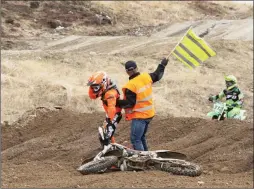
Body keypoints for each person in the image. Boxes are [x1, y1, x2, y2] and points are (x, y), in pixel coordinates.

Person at [116, 58, 169, 151]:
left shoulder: (131, 86)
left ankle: (142, 160)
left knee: (135, 139)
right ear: (136, 68)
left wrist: (116, 102)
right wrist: (162, 65)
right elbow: (157, 75)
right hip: (149, 114)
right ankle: (147, 157)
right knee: (141, 137)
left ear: (127, 72)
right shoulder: (146, 77)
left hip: (140, 116)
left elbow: (130, 104)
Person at [87, 71, 122, 147]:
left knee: (105, 135)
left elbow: (112, 108)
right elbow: (92, 96)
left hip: (114, 115)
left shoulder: (110, 93)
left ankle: (109, 149)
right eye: (93, 87)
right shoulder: (106, 87)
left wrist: (110, 120)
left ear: (104, 84)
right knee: (105, 133)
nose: (94, 90)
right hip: (110, 114)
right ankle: (112, 147)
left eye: (96, 87)